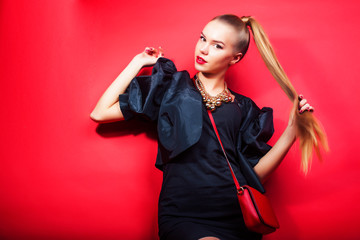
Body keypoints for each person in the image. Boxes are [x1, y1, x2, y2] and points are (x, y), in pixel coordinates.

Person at [90, 14, 324, 240]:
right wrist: (138, 62)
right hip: (183, 214)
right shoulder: (170, 89)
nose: (203, 49)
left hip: (235, 216)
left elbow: (254, 176)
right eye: (203, 38)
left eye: (217, 46)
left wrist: (291, 132)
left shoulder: (244, 108)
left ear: (235, 58)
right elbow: (100, 112)